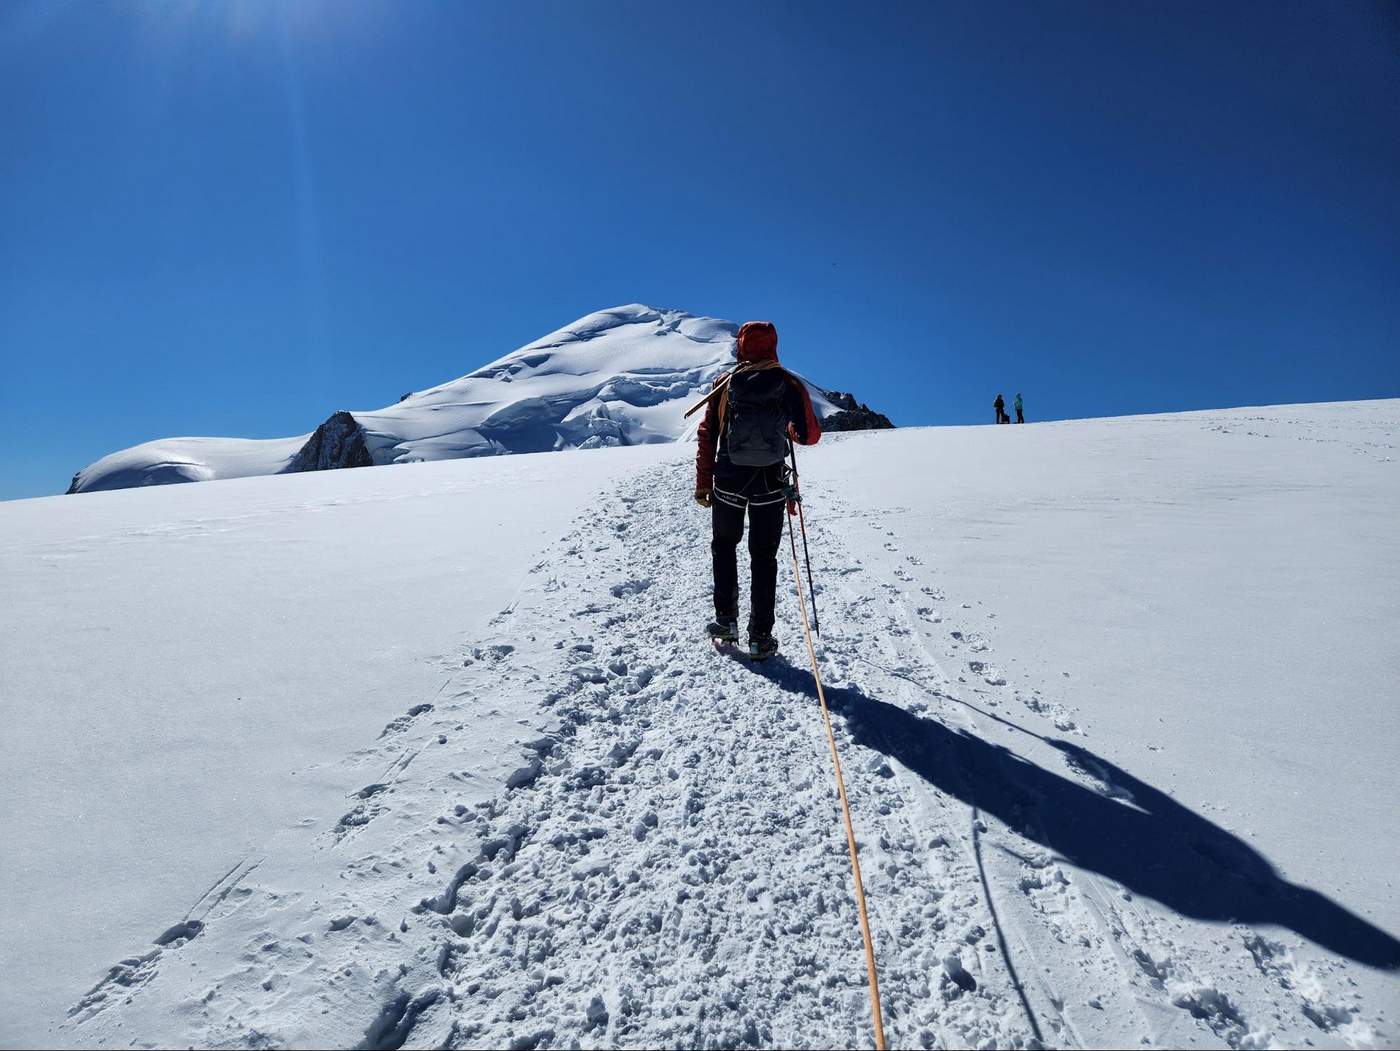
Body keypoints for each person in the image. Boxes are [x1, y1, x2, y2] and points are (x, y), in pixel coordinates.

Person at [695, 321, 821, 660]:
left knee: (724, 546)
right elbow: (809, 435)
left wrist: (703, 483)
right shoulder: (787, 382)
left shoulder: (724, 384)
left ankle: (726, 622)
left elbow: (708, 434)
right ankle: (760, 637)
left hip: (729, 482)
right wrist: (787, 429)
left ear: (741, 346)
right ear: (773, 345)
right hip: (769, 484)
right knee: (763, 557)